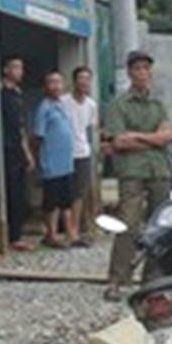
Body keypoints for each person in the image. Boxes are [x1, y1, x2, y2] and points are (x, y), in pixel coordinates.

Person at [102, 50, 172, 299]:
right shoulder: (118, 105)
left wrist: (138, 136)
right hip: (132, 171)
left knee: (161, 225)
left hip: (159, 170)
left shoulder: (158, 105)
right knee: (128, 223)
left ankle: (154, 277)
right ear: (130, 73)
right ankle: (117, 278)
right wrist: (154, 139)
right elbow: (119, 142)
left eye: (147, 68)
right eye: (138, 69)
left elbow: (168, 136)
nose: (143, 73)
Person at [32, 68, 78, 248]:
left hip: (66, 163)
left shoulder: (62, 105)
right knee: (51, 202)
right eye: (52, 82)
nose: (56, 86)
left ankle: (69, 233)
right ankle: (51, 235)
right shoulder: (44, 108)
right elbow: (37, 136)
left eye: (59, 82)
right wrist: (38, 160)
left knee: (66, 200)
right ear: (45, 86)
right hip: (51, 163)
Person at [0, 56, 33, 251]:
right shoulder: (0, 94)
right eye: (15, 67)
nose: (19, 71)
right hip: (6, 148)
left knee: (20, 193)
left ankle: (17, 233)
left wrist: (27, 152)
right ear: (5, 70)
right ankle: (11, 236)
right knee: (11, 192)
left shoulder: (17, 95)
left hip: (18, 149)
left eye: (21, 67)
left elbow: (21, 127)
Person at [66, 65, 101, 245]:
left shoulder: (91, 105)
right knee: (64, 192)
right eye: (81, 78)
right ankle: (66, 230)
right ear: (74, 81)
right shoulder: (63, 102)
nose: (84, 82)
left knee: (80, 193)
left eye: (87, 79)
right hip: (65, 153)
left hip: (83, 152)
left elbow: (91, 128)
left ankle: (75, 229)